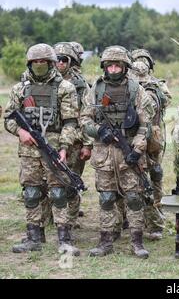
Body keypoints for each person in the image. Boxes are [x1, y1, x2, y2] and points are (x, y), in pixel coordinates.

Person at [4, 43, 80, 255]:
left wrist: (64, 147)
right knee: (31, 193)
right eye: (35, 62)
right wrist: (20, 132)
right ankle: (34, 238)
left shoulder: (65, 88)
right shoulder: (20, 89)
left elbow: (71, 122)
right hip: (28, 151)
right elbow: (9, 118)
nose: (39, 65)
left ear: (52, 63)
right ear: (30, 63)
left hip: (53, 149)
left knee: (58, 193)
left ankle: (65, 240)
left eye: (43, 62)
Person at [80, 45, 155, 258]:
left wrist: (138, 149)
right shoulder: (95, 89)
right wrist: (97, 131)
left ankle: (137, 242)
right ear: (104, 66)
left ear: (125, 66)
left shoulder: (136, 90)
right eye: (109, 65)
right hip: (104, 154)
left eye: (117, 65)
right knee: (106, 198)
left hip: (129, 151)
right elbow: (84, 118)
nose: (113, 69)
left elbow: (145, 124)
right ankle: (105, 242)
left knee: (133, 198)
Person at [130, 60, 172, 241]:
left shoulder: (151, 89)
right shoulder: (155, 87)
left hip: (147, 139)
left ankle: (154, 223)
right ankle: (142, 222)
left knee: (147, 180)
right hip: (142, 138)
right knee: (141, 180)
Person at [54, 42, 92, 230]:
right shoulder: (43, 81)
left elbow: (87, 115)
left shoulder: (79, 84)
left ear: (70, 61)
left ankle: (71, 218)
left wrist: (87, 144)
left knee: (72, 180)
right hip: (52, 138)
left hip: (75, 140)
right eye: (56, 59)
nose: (59, 63)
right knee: (49, 182)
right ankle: (48, 219)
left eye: (63, 60)